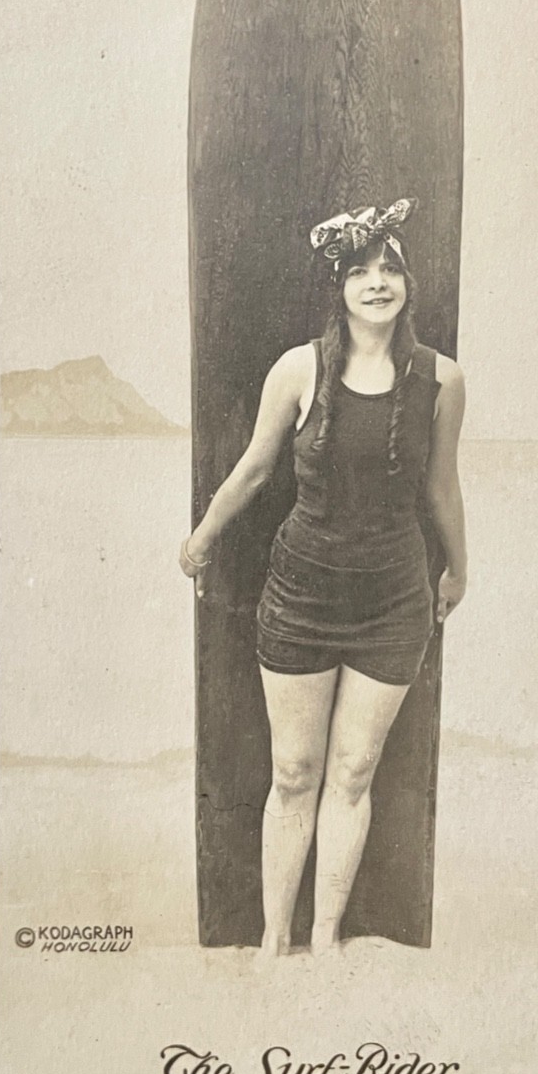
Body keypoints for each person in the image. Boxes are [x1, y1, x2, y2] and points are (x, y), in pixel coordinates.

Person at [179, 197, 467, 959]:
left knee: (353, 770)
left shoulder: (441, 379)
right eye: (361, 270)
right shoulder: (298, 368)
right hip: (300, 595)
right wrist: (204, 537)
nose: (377, 282)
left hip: (393, 599)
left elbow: (441, 489)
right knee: (295, 768)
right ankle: (275, 940)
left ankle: (327, 937)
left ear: (407, 283)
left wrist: (458, 571)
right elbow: (253, 469)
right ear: (339, 286)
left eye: (390, 269)